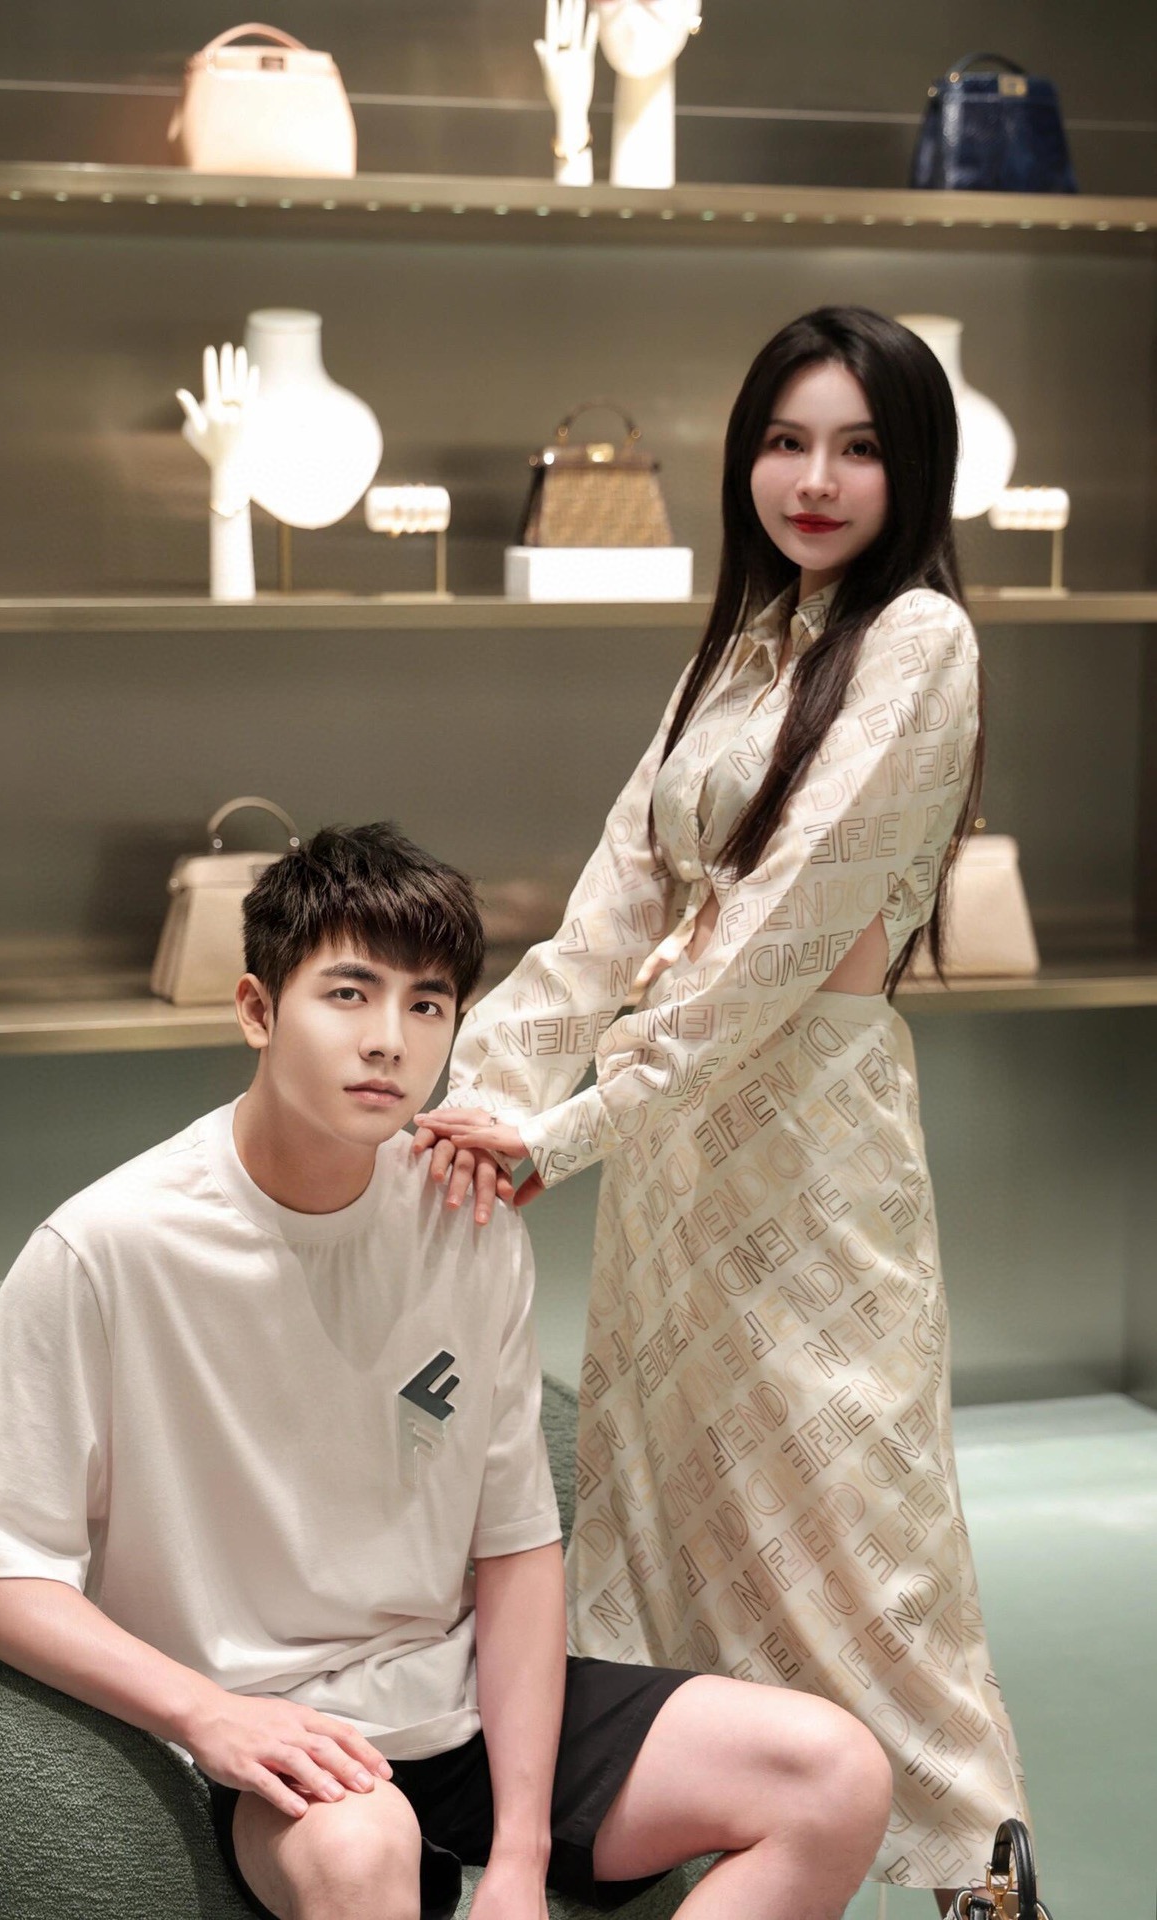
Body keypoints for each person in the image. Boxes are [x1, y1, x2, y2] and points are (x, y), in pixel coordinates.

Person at [0, 823, 892, 1920]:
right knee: (361, 1850)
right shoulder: (107, 1247)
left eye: (426, 1005)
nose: (388, 1040)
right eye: (348, 994)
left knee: (833, 1775)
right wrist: (205, 1716)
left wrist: (518, 1859)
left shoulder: (465, 1215)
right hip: (274, 1736)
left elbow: (515, 1546)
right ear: (257, 1010)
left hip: (458, 1704)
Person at [418, 307, 1029, 1901]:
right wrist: (468, 1097)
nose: (811, 479)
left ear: (913, 468)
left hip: (810, 1144)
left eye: (856, 448)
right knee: (665, 1517)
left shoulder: (919, 643)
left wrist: (559, 1132)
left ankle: (983, 1877)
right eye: (782, 441)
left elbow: (764, 947)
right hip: (676, 1158)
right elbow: (609, 909)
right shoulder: (739, 644)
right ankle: (720, 1843)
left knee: (857, 1532)